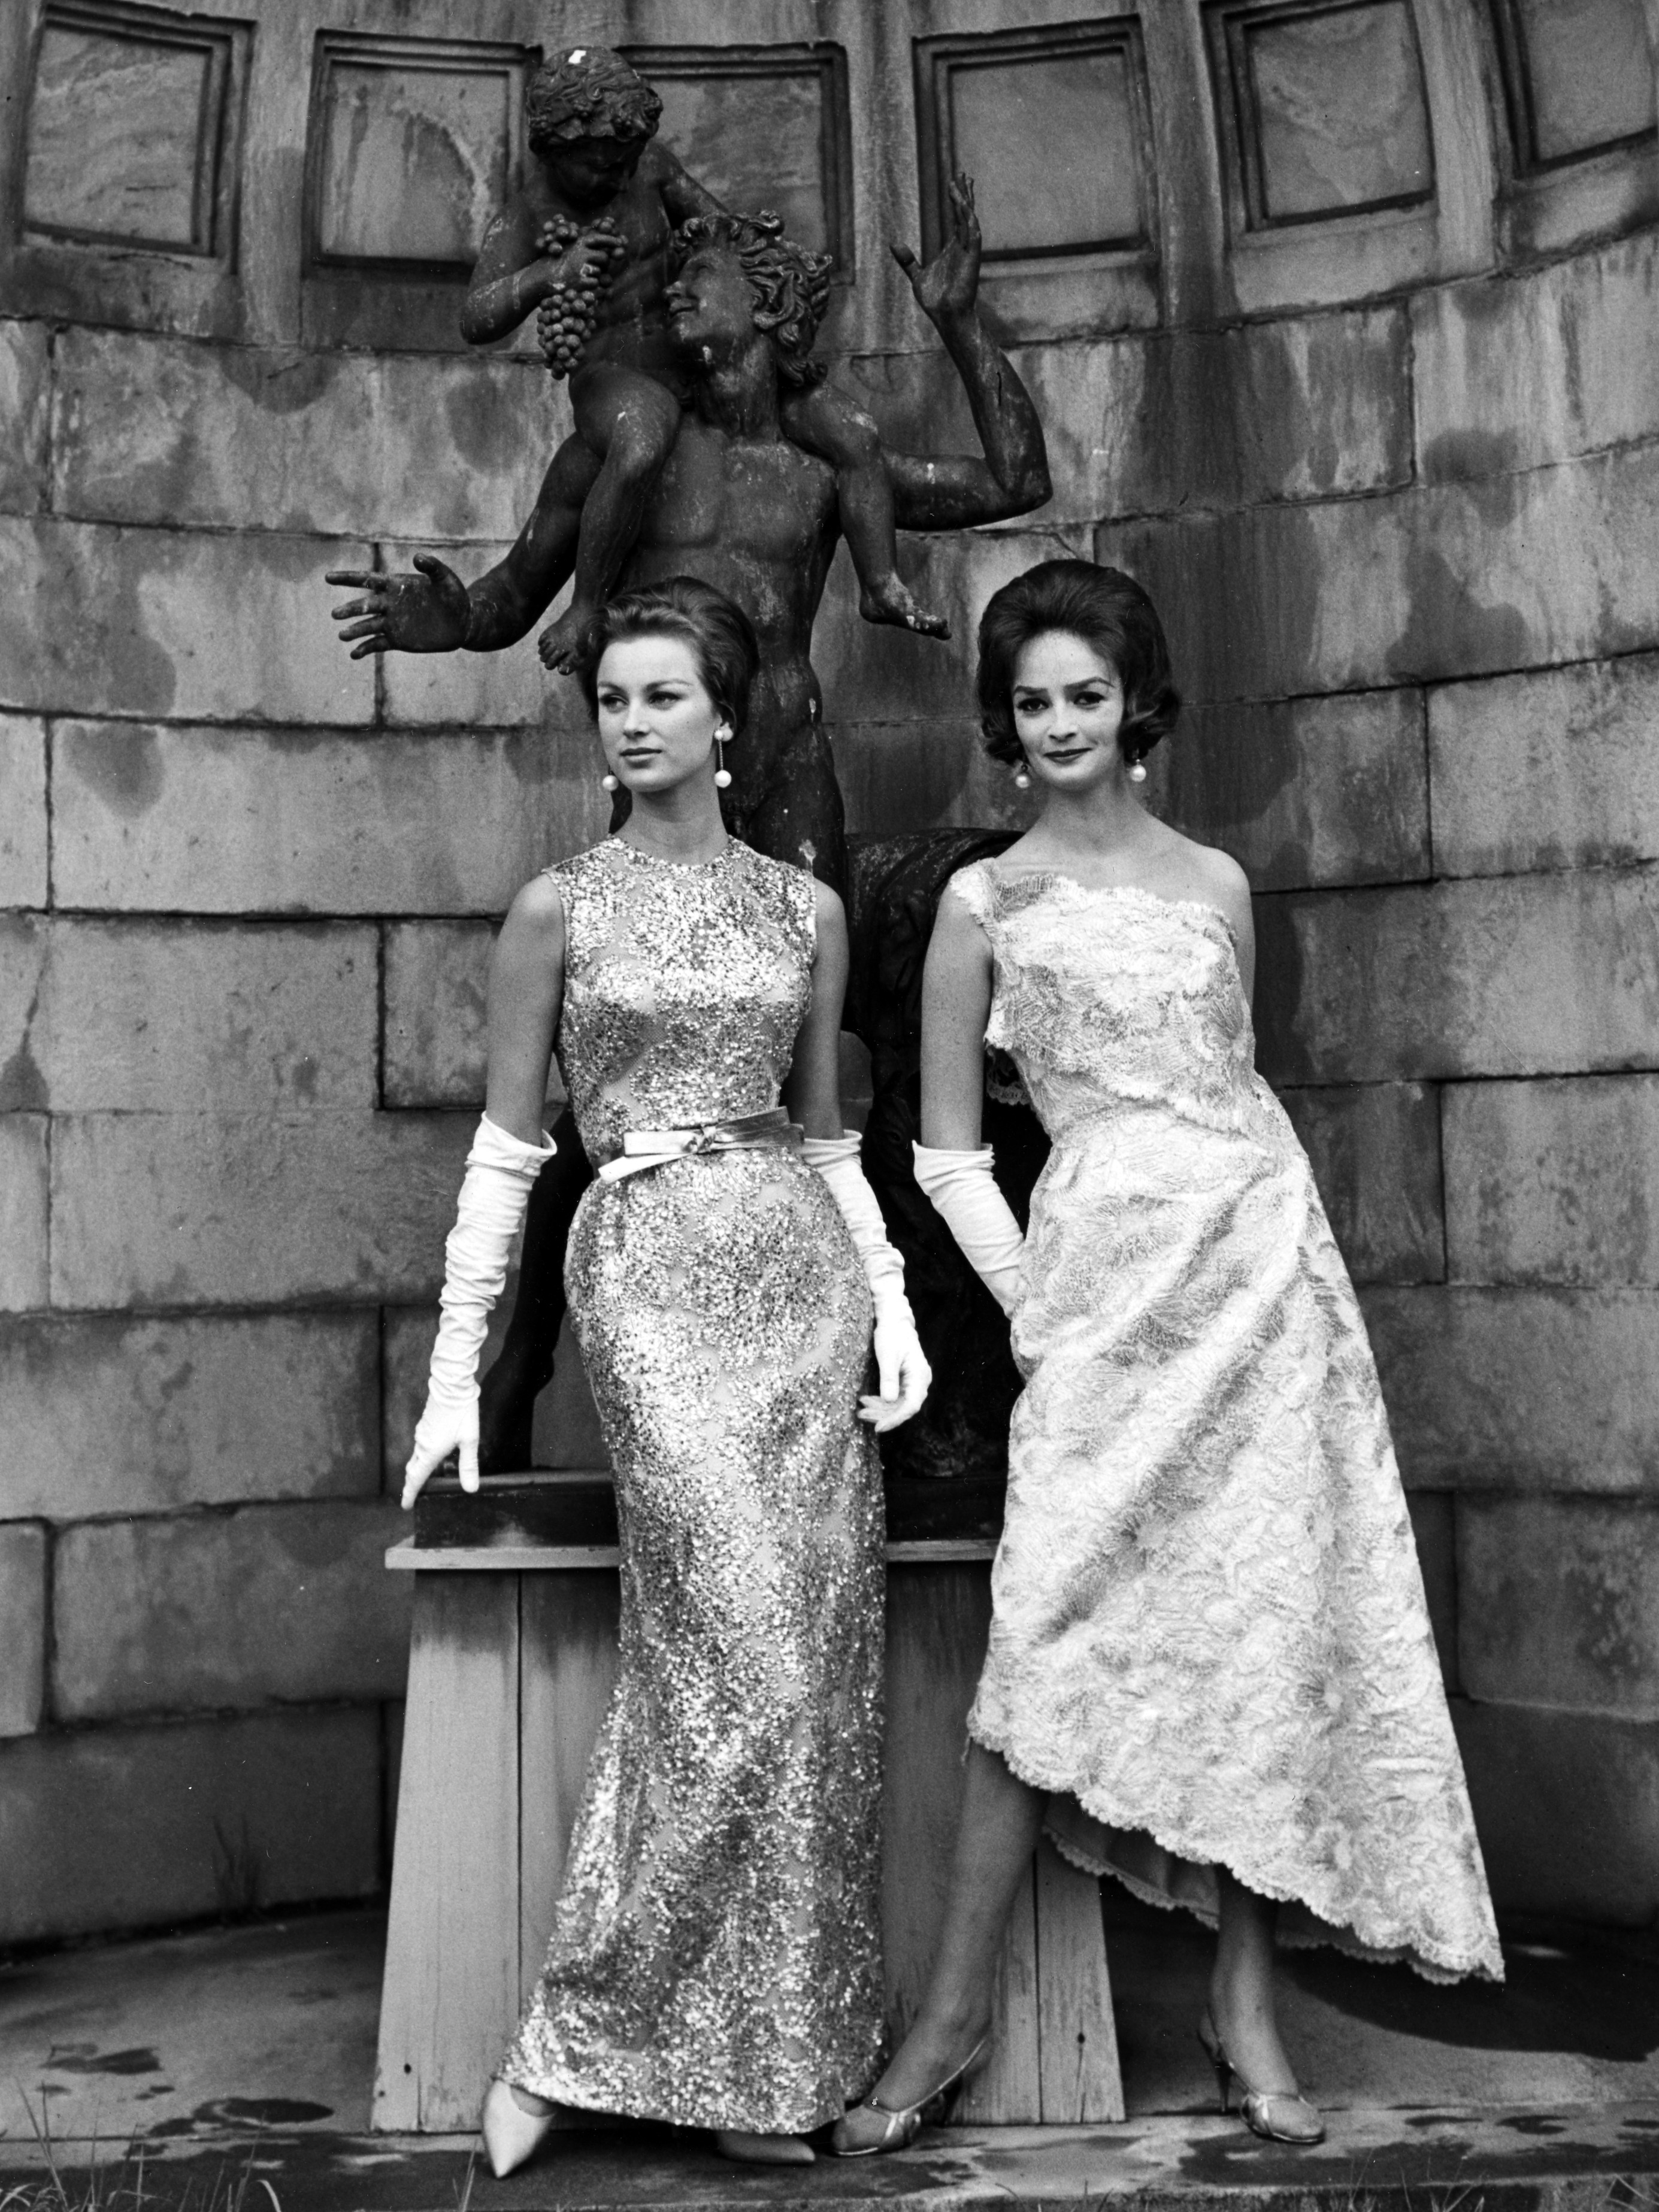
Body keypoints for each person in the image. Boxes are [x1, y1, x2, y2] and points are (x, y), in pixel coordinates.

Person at [832, 559, 1503, 2157]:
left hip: (1263, 1284)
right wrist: (1040, 1307)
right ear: (1003, 722)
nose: (1058, 724)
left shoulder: (1216, 884)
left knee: (1261, 1637)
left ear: (1136, 703)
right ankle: (953, 2009)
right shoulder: (980, 905)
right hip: (1099, 1302)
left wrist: (1264, 1265)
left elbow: (1235, 1099)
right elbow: (940, 1153)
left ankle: (1245, 2004)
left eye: (1083, 693)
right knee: (1039, 1645)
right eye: (1030, 700)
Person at [400, 577, 931, 2172]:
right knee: (741, 1658)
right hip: (642, 1273)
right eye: (611, 697)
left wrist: (891, 1301)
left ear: (723, 716)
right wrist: (452, 1376)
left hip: (795, 1271)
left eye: (657, 694)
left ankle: (764, 2063)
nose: (628, 719)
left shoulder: (805, 908)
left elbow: (830, 1132)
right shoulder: (558, 905)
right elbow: (507, 1153)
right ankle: (579, 2039)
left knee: (808, 1680)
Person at [458, 44, 946, 669]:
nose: (613, 178)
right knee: (640, 438)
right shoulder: (531, 212)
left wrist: (765, 289)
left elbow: (726, 232)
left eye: (623, 162)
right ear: (551, 152)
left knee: (852, 430)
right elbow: (476, 318)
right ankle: (585, 604)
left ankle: (881, 586)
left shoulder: (651, 169)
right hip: (617, 378)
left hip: (699, 368)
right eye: (595, 167)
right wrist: (550, 274)